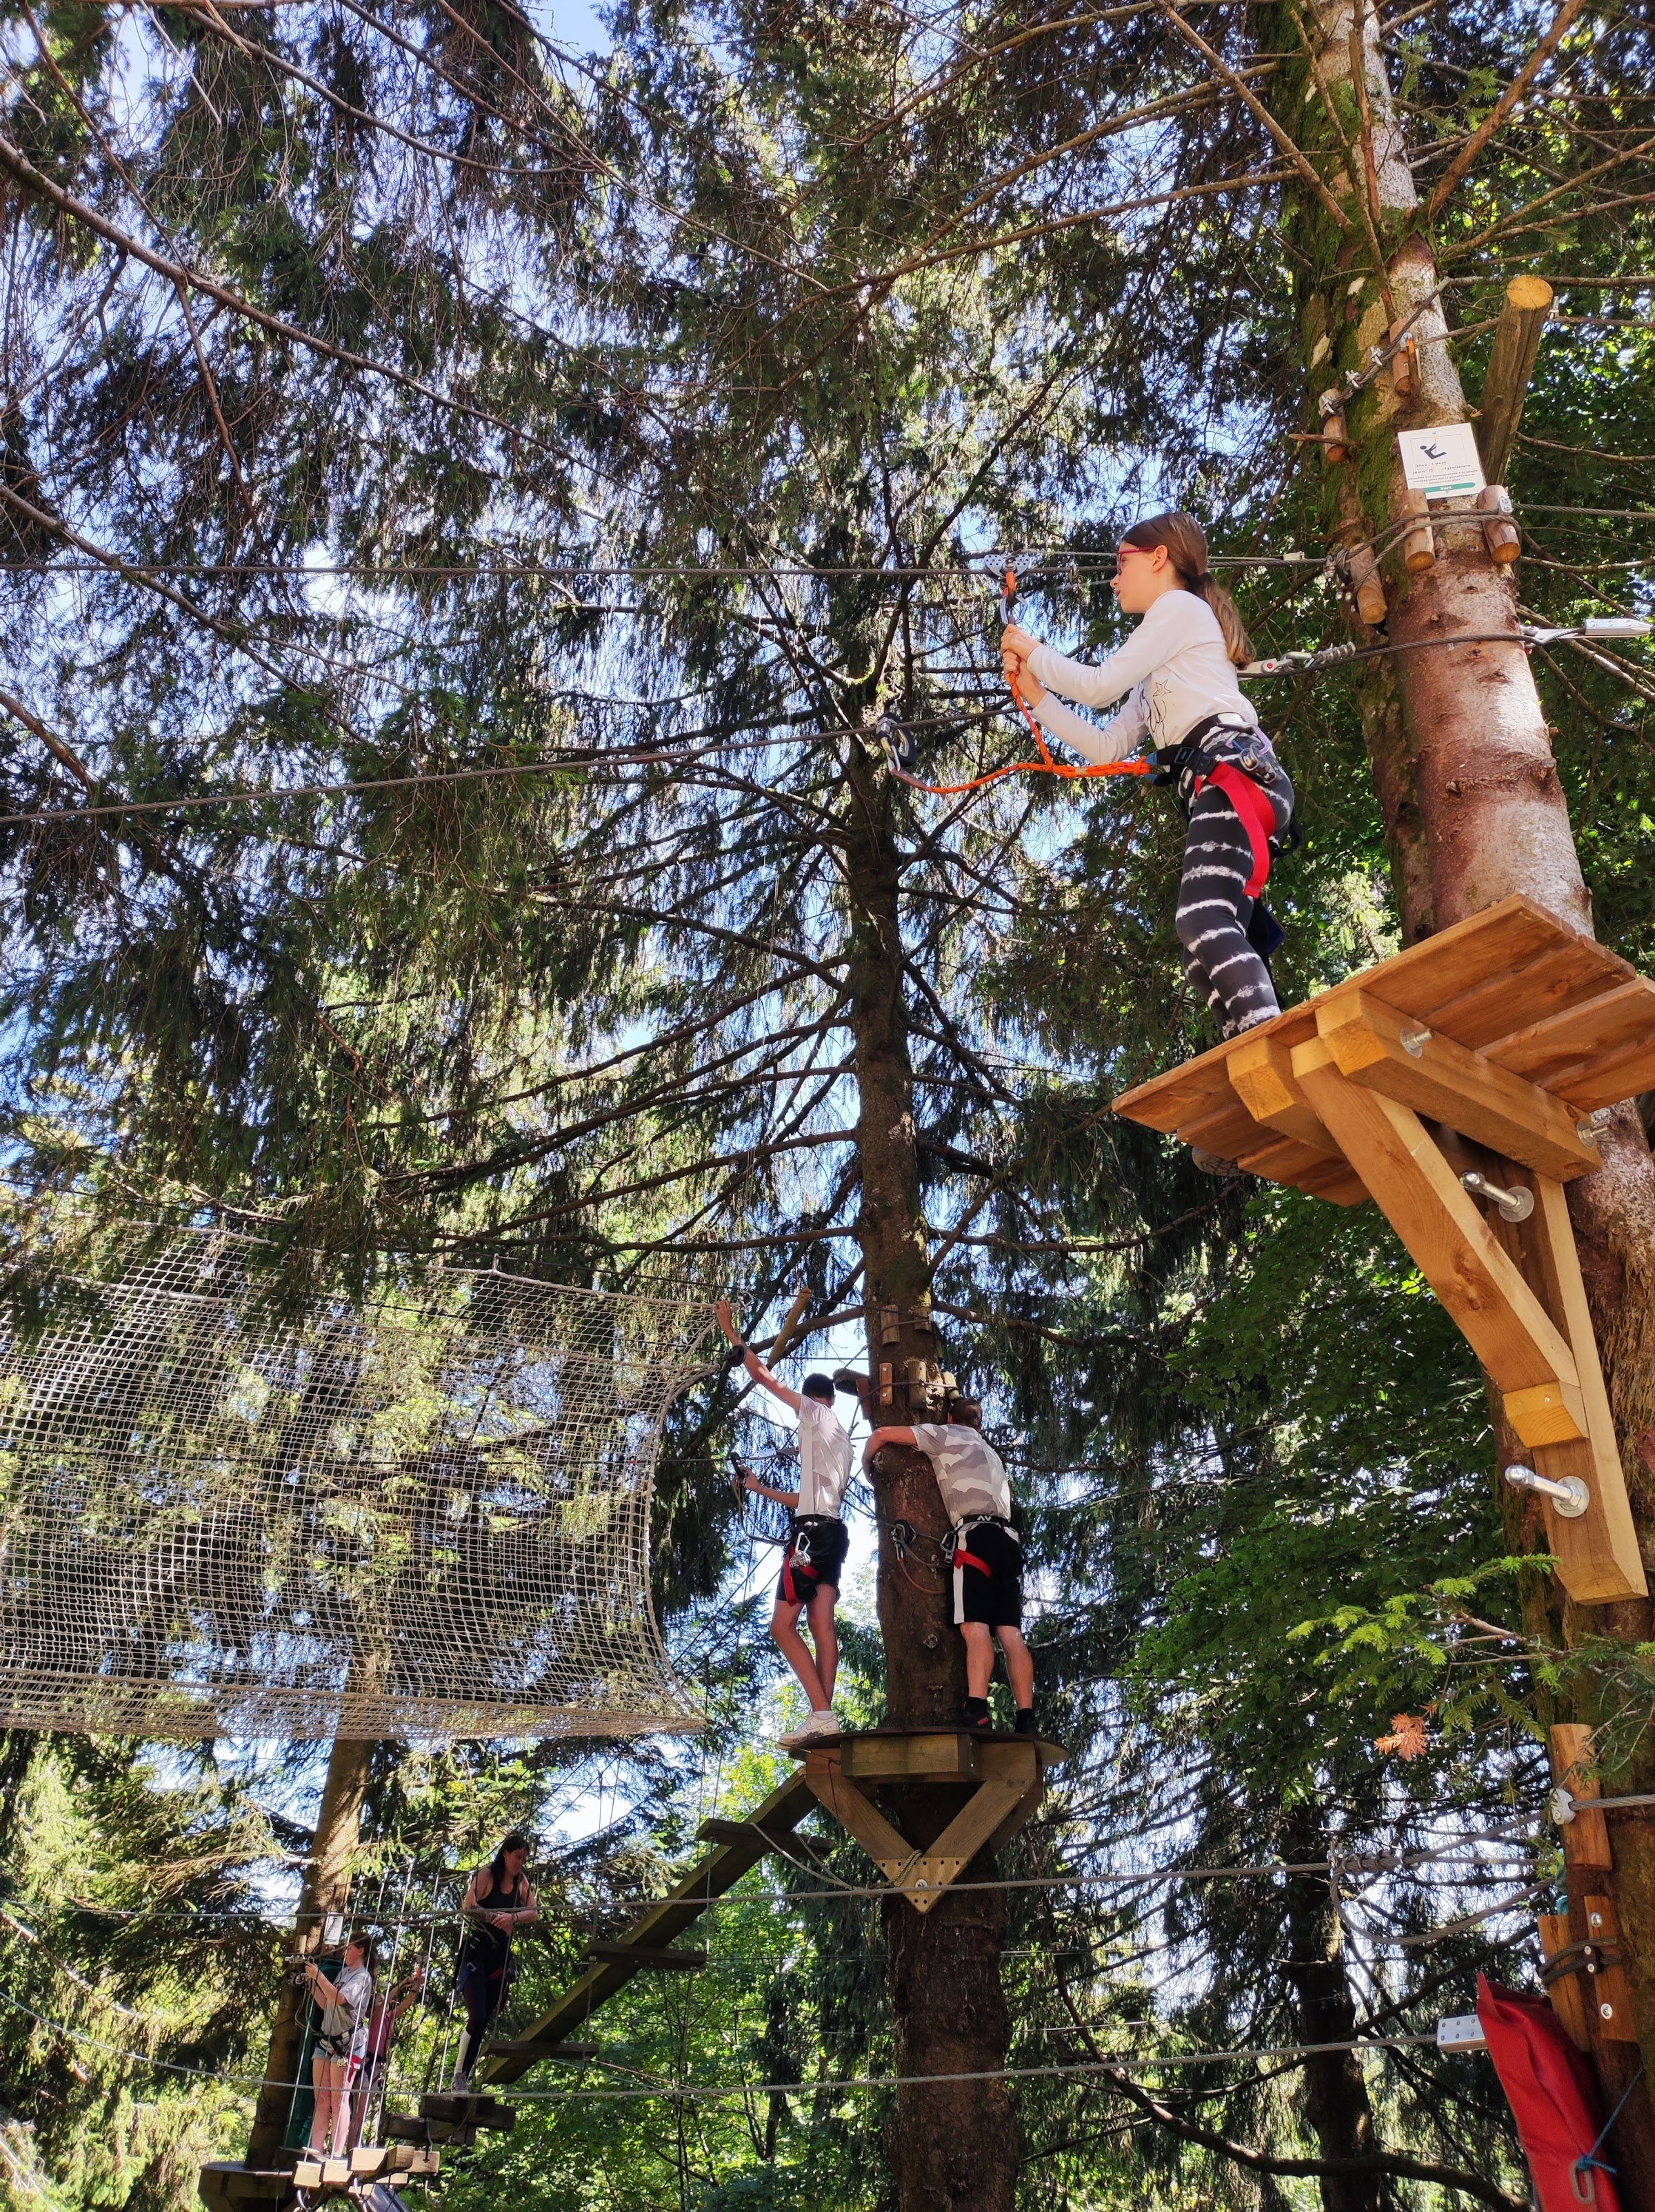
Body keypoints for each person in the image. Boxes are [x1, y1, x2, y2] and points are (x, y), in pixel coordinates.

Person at [1001, 510, 1294, 1048]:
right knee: (1201, 954)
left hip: (1235, 774)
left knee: (1201, 917)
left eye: (1122, 562)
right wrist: (1038, 696)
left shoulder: (1180, 608)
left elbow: (1097, 684)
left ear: (1159, 559)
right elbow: (1107, 745)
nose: (1114, 577)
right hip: (1229, 784)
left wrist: (1032, 650)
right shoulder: (1164, 665)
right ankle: (1246, 1051)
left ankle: (1268, 1045)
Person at [716, 1296, 852, 1748]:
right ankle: (823, 1718)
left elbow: (762, 1376)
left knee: (782, 1626)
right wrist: (757, 1488)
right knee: (821, 1625)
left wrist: (732, 1331)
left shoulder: (815, 1413)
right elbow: (806, 1498)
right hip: (831, 1530)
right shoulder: (842, 1442)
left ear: (816, 1401)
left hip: (812, 1534)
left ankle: (822, 1715)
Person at [863, 1401, 1034, 1737]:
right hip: (1008, 1541)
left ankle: (977, 1710)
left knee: (975, 1629)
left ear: (950, 1418)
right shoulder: (991, 1453)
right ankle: (1026, 1717)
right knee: (1011, 1634)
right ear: (979, 1425)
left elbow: (883, 1434)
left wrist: (869, 1468)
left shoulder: (945, 1434)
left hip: (975, 1537)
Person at [450, 1835, 540, 2091]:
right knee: (477, 2017)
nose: (521, 1863)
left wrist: (513, 1919)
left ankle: (462, 2078)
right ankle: (459, 2075)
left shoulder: (522, 1883)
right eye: (517, 1857)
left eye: (524, 1859)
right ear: (505, 1854)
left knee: (484, 2020)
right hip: (477, 1955)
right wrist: (493, 1917)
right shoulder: (487, 1875)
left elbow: (533, 1912)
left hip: (500, 1960)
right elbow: (469, 1906)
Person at [303, 1931, 374, 2155]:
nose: (344, 1952)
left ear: (360, 1950)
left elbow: (340, 1999)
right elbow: (328, 2004)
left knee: (339, 2099)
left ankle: (335, 2153)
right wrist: (312, 1986)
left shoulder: (362, 1977)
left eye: (348, 1948)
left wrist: (319, 1977)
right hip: (327, 2040)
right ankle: (315, 2150)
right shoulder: (344, 1973)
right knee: (322, 2099)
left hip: (347, 2045)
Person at [345, 1968, 425, 2150]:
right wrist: (400, 1985)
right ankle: (351, 2150)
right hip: (366, 2066)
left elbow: (406, 2004)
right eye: (380, 2000)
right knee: (358, 2113)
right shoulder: (375, 2017)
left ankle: (355, 2147)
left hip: (377, 2068)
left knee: (362, 2114)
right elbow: (387, 2001)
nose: (384, 2002)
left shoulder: (389, 2019)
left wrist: (415, 1988)